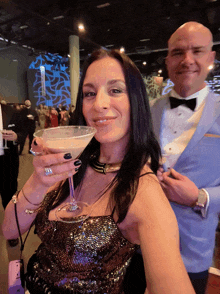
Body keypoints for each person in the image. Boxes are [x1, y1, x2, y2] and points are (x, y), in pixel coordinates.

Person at [2, 49, 195, 294]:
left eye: (115, 90)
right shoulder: (70, 160)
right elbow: (10, 229)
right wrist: (39, 181)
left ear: (135, 100)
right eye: (90, 93)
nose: (99, 104)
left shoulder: (144, 191)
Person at [150, 22, 219, 294]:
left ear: (211, 58)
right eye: (178, 53)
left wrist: (199, 196)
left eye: (197, 51)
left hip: (192, 252)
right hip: (142, 245)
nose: (187, 60)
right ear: (168, 62)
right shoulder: (150, 110)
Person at [0, 101, 23, 247]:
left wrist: (16, 136)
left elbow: (24, 130)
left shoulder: (11, 111)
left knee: (9, 196)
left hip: (6, 162)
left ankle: (12, 231)